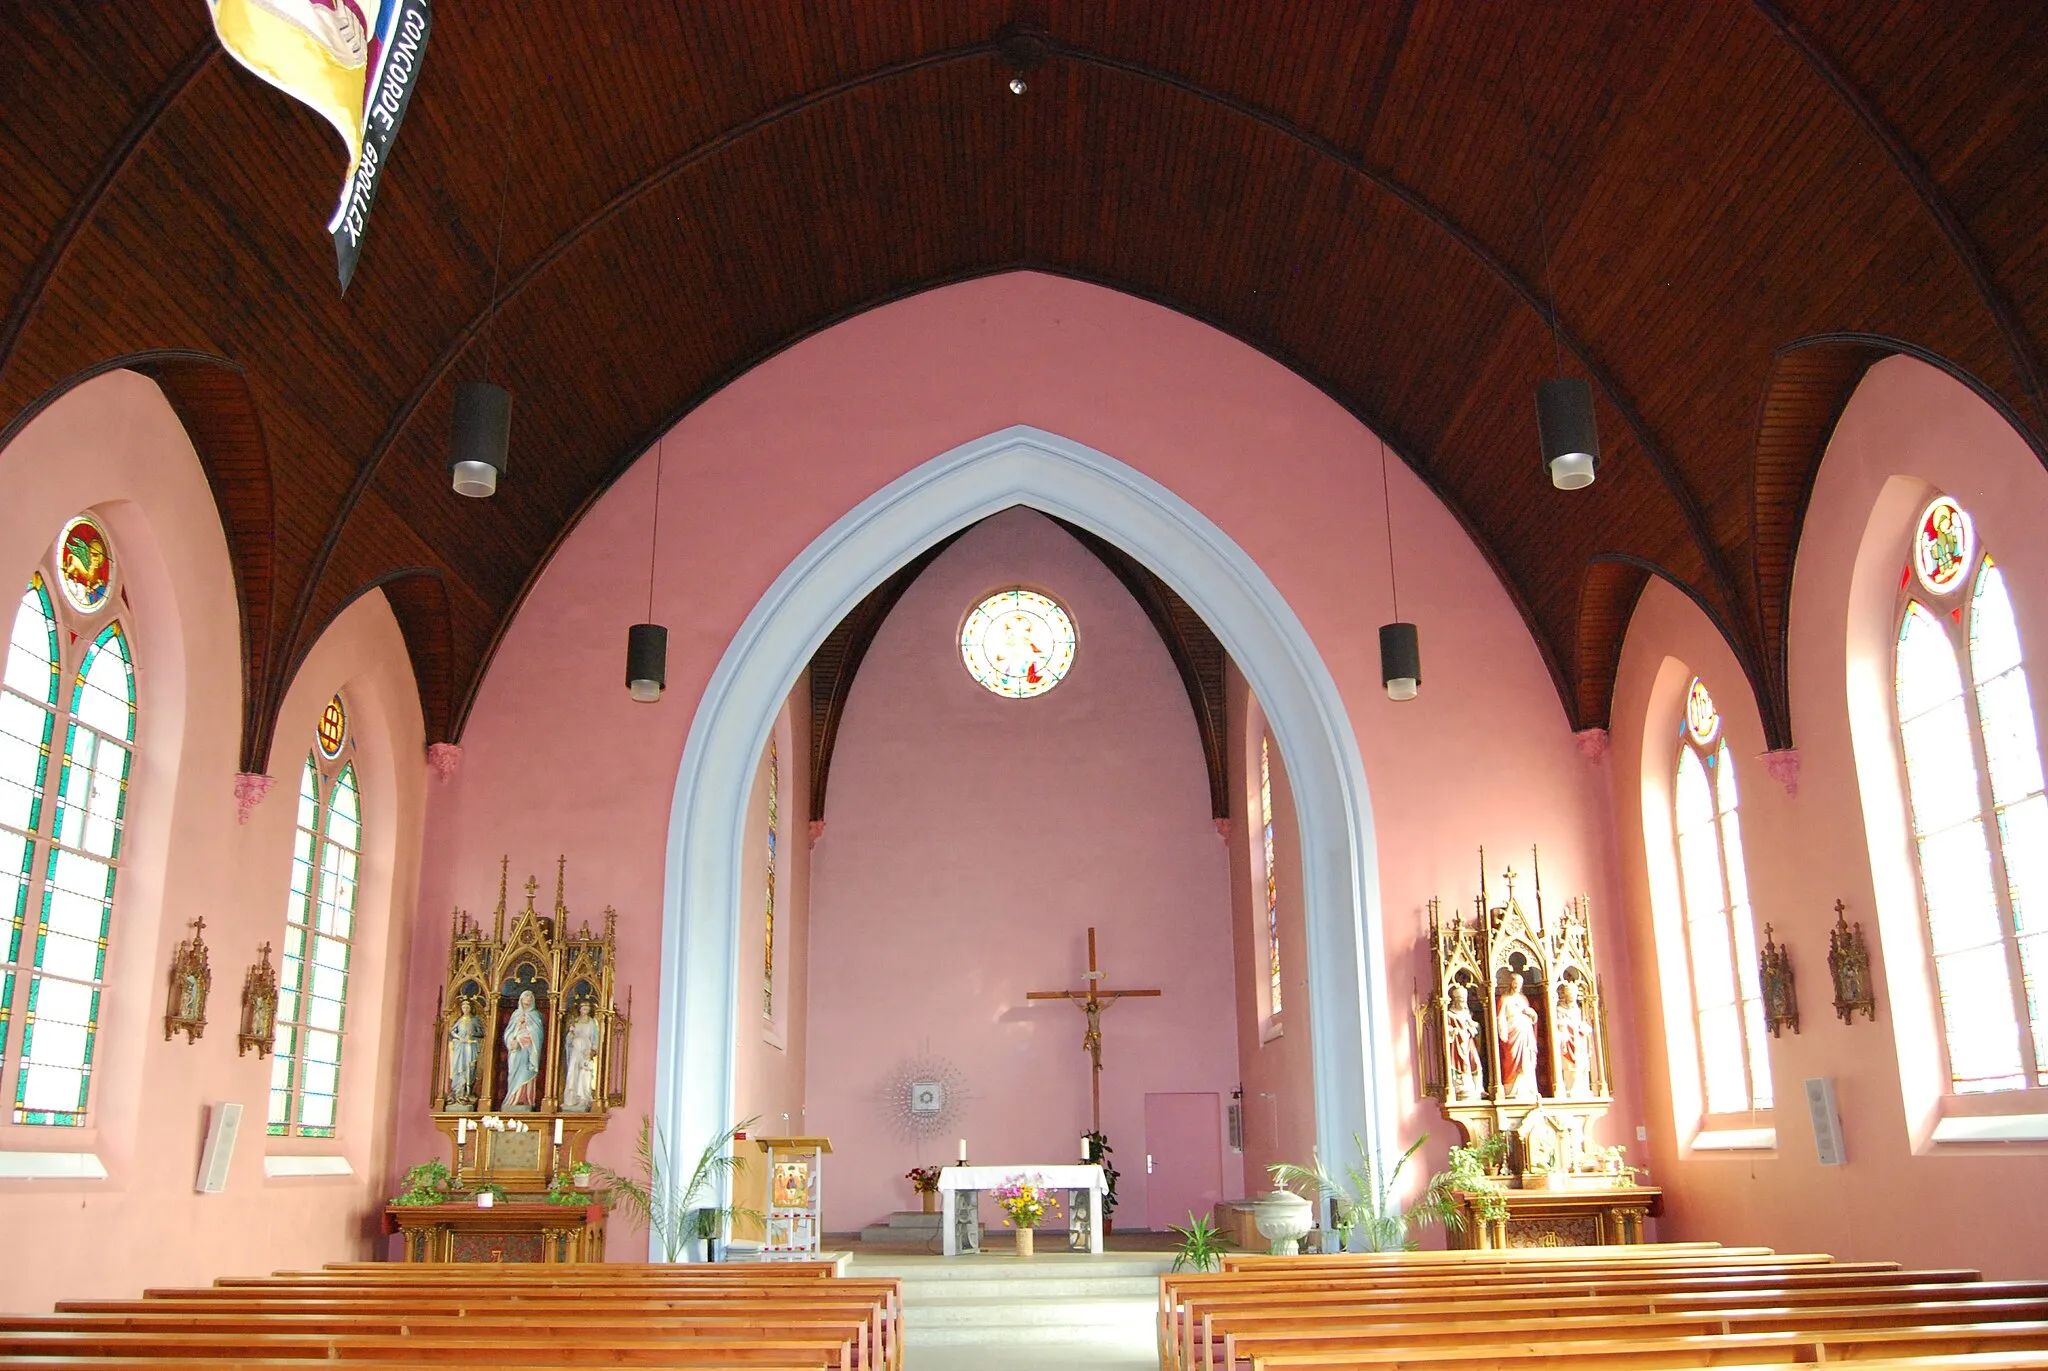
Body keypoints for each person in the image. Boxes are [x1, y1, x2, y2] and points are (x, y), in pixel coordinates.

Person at [1496, 973, 1540, 1099]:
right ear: (1511, 983)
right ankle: (1511, 1089)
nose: (1517, 986)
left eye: (1519, 983)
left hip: (1525, 1032)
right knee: (1512, 1057)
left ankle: (1527, 1088)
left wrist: (1532, 1014)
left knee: (1527, 1059)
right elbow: (1500, 1017)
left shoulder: (1523, 998)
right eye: (1515, 983)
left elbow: (1532, 1016)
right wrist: (1502, 1031)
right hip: (1512, 1032)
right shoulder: (1505, 999)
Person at [500, 989, 545, 1111]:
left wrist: (528, 1028)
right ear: (521, 999)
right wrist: (512, 1040)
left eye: (531, 996)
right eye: (526, 996)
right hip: (515, 1050)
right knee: (514, 1071)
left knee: (526, 1072)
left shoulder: (536, 1015)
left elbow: (538, 1034)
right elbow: (508, 1032)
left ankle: (524, 1099)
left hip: (528, 1050)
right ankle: (512, 1098)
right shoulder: (515, 1014)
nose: (529, 998)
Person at [560, 1001, 601, 1112]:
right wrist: (571, 1033)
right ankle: (570, 1100)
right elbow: (568, 1039)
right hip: (575, 1049)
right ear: (580, 1009)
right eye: (583, 1009)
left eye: (587, 1009)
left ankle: (583, 1099)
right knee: (572, 1073)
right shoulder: (575, 1021)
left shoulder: (592, 1022)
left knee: (584, 1073)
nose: (585, 1011)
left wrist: (593, 1050)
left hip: (585, 1049)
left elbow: (595, 1038)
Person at [1445, 983, 1484, 1100]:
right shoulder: (1449, 1014)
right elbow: (1445, 1029)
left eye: (1464, 1000)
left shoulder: (1466, 1013)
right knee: (1459, 1064)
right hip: (1457, 1044)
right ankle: (1460, 1086)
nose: (1463, 1003)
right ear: (1455, 1001)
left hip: (1468, 1042)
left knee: (1474, 1062)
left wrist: (1473, 1026)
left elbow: (1475, 1027)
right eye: (1461, 1000)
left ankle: (1478, 1088)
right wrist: (1453, 1031)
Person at [1554, 979, 1592, 1097]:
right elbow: (1558, 1025)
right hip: (1567, 1040)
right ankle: (1569, 1088)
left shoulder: (1578, 1009)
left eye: (1573, 994)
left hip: (1579, 1040)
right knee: (1570, 1067)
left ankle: (1582, 1088)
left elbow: (1584, 1024)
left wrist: (1583, 1027)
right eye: (1569, 994)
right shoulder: (1559, 1009)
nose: (1571, 996)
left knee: (1581, 1064)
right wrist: (1565, 1024)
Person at [445, 996, 483, 1106]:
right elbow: (452, 1032)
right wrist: (459, 1038)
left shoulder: (474, 1020)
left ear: (470, 1008)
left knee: (469, 1067)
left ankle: (468, 1092)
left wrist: (473, 1035)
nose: (465, 1009)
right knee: (459, 1067)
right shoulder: (460, 1020)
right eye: (463, 1007)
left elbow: (481, 1033)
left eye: (467, 1007)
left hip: (471, 1046)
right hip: (460, 1047)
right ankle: (458, 1092)